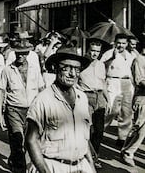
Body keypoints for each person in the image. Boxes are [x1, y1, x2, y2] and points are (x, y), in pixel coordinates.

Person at [25, 47, 95, 173]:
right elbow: (31, 140)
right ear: (56, 68)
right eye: (66, 68)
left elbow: (84, 139)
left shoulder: (82, 98)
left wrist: (91, 167)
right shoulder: (43, 100)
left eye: (77, 69)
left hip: (81, 166)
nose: (72, 74)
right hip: (52, 166)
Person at [0, 41, 44, 172]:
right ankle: (20, 169)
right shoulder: (7, 70)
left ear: (28, 53)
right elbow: (1, 92)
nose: (20, 56)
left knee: (27, 143)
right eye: (18, 53)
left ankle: (14, 159)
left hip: (32, 112)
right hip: (13, 110)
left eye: (23, 53)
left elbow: (41, 90)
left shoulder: (35, 69)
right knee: (17, 140)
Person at [101, 33, 135, 148]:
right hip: (113, 82)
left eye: (123, 43)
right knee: (112, 110)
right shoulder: (108, 53)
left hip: (127, 83)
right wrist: (112, 58)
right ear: (115, 42)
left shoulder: (130, 55)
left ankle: (122, 138)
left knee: (126, 112)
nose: (121, 45)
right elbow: (102, 67)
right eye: (119, 43)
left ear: (127, 44)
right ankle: (99, 132)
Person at [78, 40, 108, 169]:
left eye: (97, 51)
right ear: (88, 50)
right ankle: (89, 158)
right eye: (93, 51)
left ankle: (95, 155)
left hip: (100, 97)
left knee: (99, 130)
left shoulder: (101, 64)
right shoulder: (82, 63)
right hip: (86, 96)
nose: (94, 53)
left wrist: (108, 100)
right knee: (87, 130)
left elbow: (104, 82)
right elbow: (75, 80)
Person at [120, 41, 145, 167]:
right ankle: (127, 151)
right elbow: (139, 80)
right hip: (142, 98)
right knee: (139, 128)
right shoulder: (139, 60)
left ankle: (128, 151)